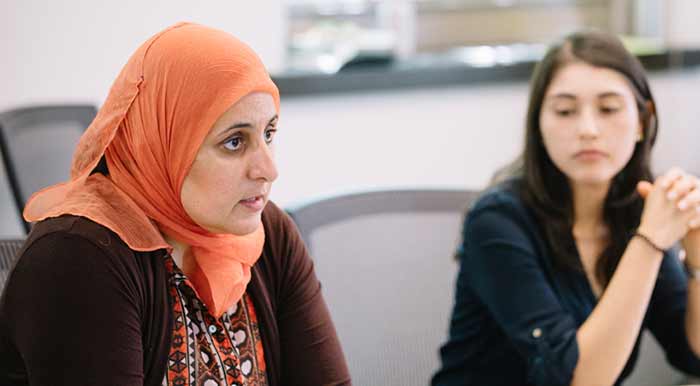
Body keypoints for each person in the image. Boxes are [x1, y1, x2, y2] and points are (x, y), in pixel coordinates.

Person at [0, 22, 351, 386]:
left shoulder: (267, 232)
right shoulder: (79, 258)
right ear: (163, 144)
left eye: (269, 133)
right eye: (234, 142)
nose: (269, 169)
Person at [433, 30, 700, 386]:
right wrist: (650, 241)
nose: (588, 129)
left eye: (608, 108)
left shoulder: (633, 210)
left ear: (641, 120)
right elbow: (576, 380)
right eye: (565, 111)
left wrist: (697, 262)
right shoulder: (496, 221)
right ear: (539, 123)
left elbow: (692, 355)